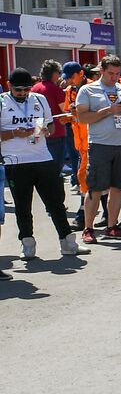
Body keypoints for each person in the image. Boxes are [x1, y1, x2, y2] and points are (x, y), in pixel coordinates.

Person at [1, 67, 88, 259]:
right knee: (23, 206)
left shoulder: (38, 99)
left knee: (56, 202)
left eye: (26, 90)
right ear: (9, 86)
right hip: (16, 161)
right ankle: (27, 243)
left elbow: (48, 123)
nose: (23, 94)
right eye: (18, 90)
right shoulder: (1, 102)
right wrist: (15, 133)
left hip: (42, 157)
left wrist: (45, 130)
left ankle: (68, 242)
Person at [75, 55, 121, 243]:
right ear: (102, 71)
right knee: (95, 188)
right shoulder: (88, 90)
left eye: (117, 74)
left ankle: (112, 226)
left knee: (118, 187)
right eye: (111, 73)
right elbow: (83, 118)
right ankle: (88, 228)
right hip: (99, 144)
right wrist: (108, 111)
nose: (114, 77)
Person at [31, 60, 71, 167]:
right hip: (56, 132)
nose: (59, 75)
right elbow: (65, 110)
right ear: (53, 73)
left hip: (36, 130)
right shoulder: (56, 90)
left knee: (39, 164)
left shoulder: (33, 89)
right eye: (58, 72)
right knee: (55, 166)